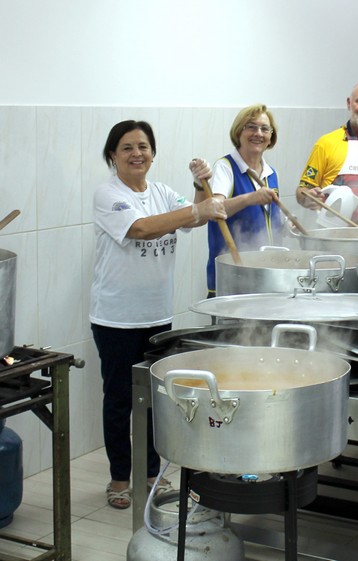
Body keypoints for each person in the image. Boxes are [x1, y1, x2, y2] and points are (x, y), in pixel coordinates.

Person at [90, 120, 225, 509]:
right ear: (112, 155)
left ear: (153, 153)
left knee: (152, 398)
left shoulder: (162, 191)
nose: (137, 154)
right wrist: (199, 207)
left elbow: (197, 217)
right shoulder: (107, 195)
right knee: (118, 399)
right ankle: (119, 478)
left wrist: (202, 186)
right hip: (116, 318)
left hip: (156, 316)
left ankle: (150, 474)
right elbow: (143, 229)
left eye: (144, 147)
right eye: (128, 147)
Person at [203, 104, 282, 296]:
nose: (258, 133)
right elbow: (215, 209)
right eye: (251, 127)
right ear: (239, 131)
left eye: (265, 129)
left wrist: (289, 226)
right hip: (232, 278)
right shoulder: (225, 167)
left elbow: (268, 220)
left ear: (271, 137)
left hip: (266, 277)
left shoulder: (270, 173)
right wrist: (249, 198)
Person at [296, 82, 358, 227]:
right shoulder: (326, 143)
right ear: (349, 103)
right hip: (334, 241)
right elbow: (302, 191)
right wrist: (308, 197)